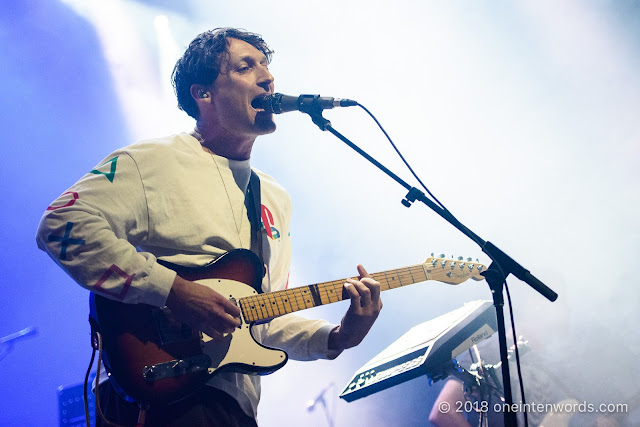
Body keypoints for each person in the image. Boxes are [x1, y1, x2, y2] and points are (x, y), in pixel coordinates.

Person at [36, 27, 382, 426]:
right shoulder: (150, 162)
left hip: (235, 407)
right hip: (161, 395)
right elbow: (62, 223)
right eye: (245, 66)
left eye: (266, 65)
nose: (267, 76)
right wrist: (173, 292)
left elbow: (262, 316)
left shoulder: (274, 197)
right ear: (204, 94)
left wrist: (338, 337)